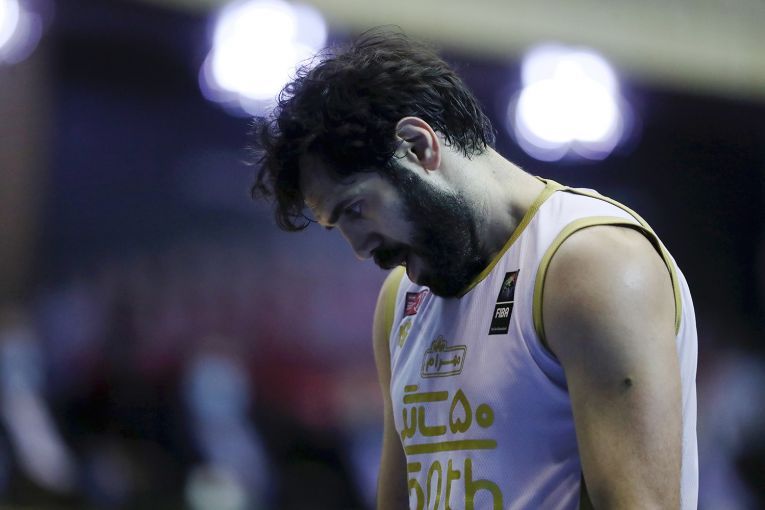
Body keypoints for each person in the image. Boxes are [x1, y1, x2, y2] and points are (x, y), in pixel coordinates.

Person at [251, 30, 698, 510]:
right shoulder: (400, 300)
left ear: (418, 147)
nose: (360, 248)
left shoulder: (590, 265)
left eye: (356, 209)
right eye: (336, 225)